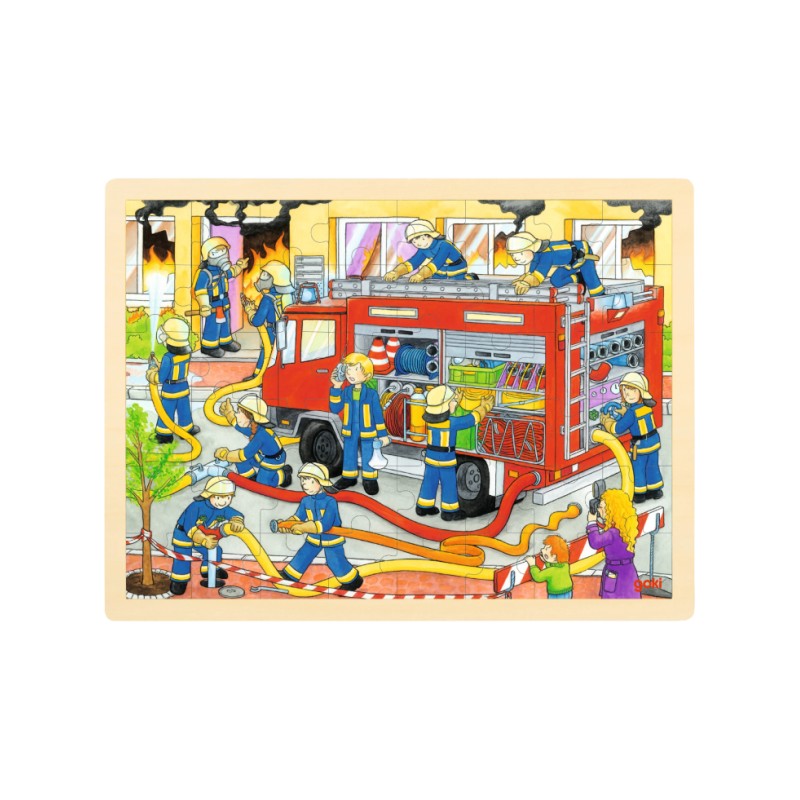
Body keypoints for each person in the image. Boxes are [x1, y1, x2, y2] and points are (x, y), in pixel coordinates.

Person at [276, 463, 364, 591]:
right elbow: (298, 517)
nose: (304, 483)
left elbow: (326, 524)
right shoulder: (306, 501)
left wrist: (303, 528)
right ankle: (290, 575)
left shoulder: (330, 502)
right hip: (314, 538)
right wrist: (286, 524)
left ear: (321, 482)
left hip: (331, 539)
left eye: (308, 480)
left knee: (334, 561)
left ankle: (353, 580)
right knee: (303, 554)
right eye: (302, 480)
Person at [416, 385, 493, 521]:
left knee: (429, 481)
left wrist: (456, 400)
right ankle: (449, 512)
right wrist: (485, 407)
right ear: (446, 406)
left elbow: (447, 410)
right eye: (451, 401)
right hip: (446, 459)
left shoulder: (431, 421)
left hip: (431, 457)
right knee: (449, 484)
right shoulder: (451, 423)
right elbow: (472, 419)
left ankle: (423, 506)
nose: (454, 403)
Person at [169, 476, 246, 595]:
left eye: (228, 497)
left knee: (216, 551)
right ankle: (179, 581)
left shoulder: (223, 508)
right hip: (183, 534)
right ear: (208, 495)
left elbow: (235, 514)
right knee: (183, 557)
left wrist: (237, 521)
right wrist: (204, 540)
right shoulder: (196, 506)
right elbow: (189, 526)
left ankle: (208, 570)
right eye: (219, 497)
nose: (223, 501)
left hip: (203, 536)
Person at [329, 352, 390, 494]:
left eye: (356, 369)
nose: (350, 373)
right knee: (349, 453)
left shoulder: (371, 394)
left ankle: (370, 479)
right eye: (348, 369)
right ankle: (348, 477)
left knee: (368, 454)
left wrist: (383, 435)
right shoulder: (346, 392)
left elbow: (378, 416)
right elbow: (335, 408)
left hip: (368, 431)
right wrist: (336, 387)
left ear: (367, 375)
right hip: (350, 430)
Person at [600, 372, 663, 504]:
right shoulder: (646, 406)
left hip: (640, 446)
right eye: (625, 390)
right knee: (652, 466)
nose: (628, 393)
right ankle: (655, 490)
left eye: (632, 390)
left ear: (640, 392)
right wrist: (624, 412)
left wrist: (606, 421)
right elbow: (639, 419)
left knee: (638, 468)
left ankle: (639, 494)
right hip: (654, 442)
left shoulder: (631, 413)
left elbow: (617, 429)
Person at [215, 394, 292, 488]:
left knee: (263, 484)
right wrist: (229, 413)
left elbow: (243, 455)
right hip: (261, 456)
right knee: (240, 462)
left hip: (273, 461)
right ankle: (251, 478)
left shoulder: (261, 436)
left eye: (239, 412)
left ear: (251, 417)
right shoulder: (256, 428)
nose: (236, 414)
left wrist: (225, 455)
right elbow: (240, 427)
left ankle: (283, 474)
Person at [146, 316, 199, 444]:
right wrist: (159, 364)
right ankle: (187, 429)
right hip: (183, 388)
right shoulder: (187, 354)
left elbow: (161, 378)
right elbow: (174, 368)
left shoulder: (167, 357)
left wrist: (151, 371)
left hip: (170, 391)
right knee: (184, 410)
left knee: (166, 412)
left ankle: (164, 435)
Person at [194, 236, 248, 357]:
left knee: (225, 324)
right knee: (213, 325)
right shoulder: (205, 273)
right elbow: (200, 290)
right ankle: (209, 346)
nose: (221, 255)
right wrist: (204, 305)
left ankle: (225, 341)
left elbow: (232, 272)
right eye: (216, 253)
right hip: (213, 305)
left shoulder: (221, 271)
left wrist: (240, 266)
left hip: (224, 303)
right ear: (207, 257)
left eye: (223, 251)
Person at [509, 232, 605, 297]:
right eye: (513, 255)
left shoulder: (547, 254)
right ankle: (579, 278)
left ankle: (600, 297)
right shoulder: (536, 255)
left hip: (583, 254)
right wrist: (523, 279)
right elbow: (531, 273)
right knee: (556, 281)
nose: (516, 258)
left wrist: (526, 283)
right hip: (570, 263)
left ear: (532, 248)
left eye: (520, 253)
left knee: (593, 285)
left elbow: (538, 276)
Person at [241, 260, 295, 376]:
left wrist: (249, 310)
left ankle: (259, 376)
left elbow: (257, 321)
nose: (261, 278)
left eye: (265, 275)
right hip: (287, 332)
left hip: (272, 333)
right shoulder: (289, 295)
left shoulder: (267, 299)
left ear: (274, 278)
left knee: (266, 352)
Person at [586, 488, 642, 599]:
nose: (599, 510)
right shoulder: (626, 528)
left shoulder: (612, 533)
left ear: (611, 511)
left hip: (614, 573)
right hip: (629, 572)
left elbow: (595, 542)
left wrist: (591, 522)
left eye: (601, 508)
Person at [383, 219, 473, 282]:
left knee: (458, 284)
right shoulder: (423, 249)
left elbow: (436, 262)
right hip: (439, 270)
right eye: (413, 241)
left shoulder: (444, 245)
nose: (417, 243)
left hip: (457, 269)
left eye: (419, 238)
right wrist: (396, 272)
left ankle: (471, 277)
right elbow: (412, 263)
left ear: (430, 235)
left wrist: (420, 275)